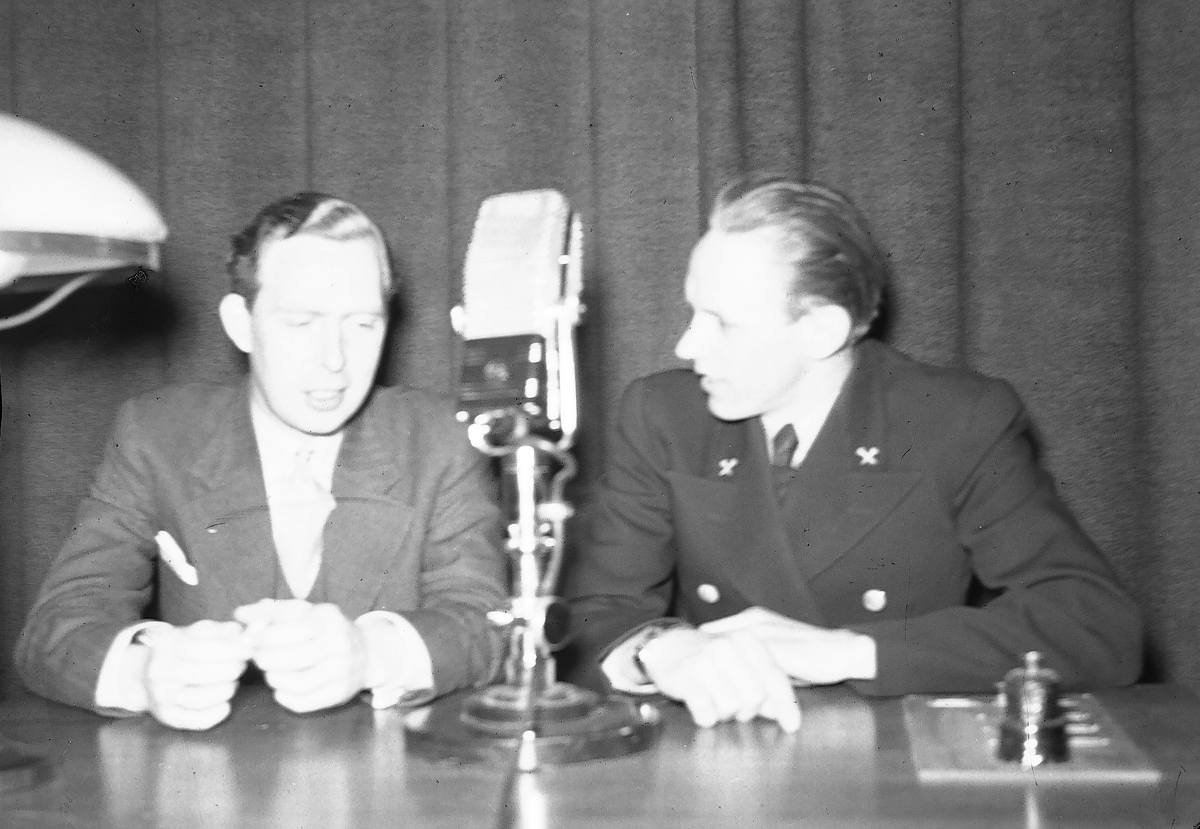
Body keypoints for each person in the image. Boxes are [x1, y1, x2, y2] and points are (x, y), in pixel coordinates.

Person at [562, 175, 1143, 732]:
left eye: (722, 323)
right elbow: (586, 613)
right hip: (719, 742)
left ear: (822, 330)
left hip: (892, 750)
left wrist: (853, 652)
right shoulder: (664, 416)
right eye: (693, 312)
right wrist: (657, 650)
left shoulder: (953, 422)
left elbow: (1093, 627)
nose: (686, 346)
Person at [15, 192, 509, 730]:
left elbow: (489, 626)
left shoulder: (441, 438)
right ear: (241, 323)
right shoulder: (156, 435)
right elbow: (53, 630)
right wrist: (144, 672)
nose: (335, 360)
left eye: (363, 324)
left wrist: (371, 654)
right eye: (300, 323)